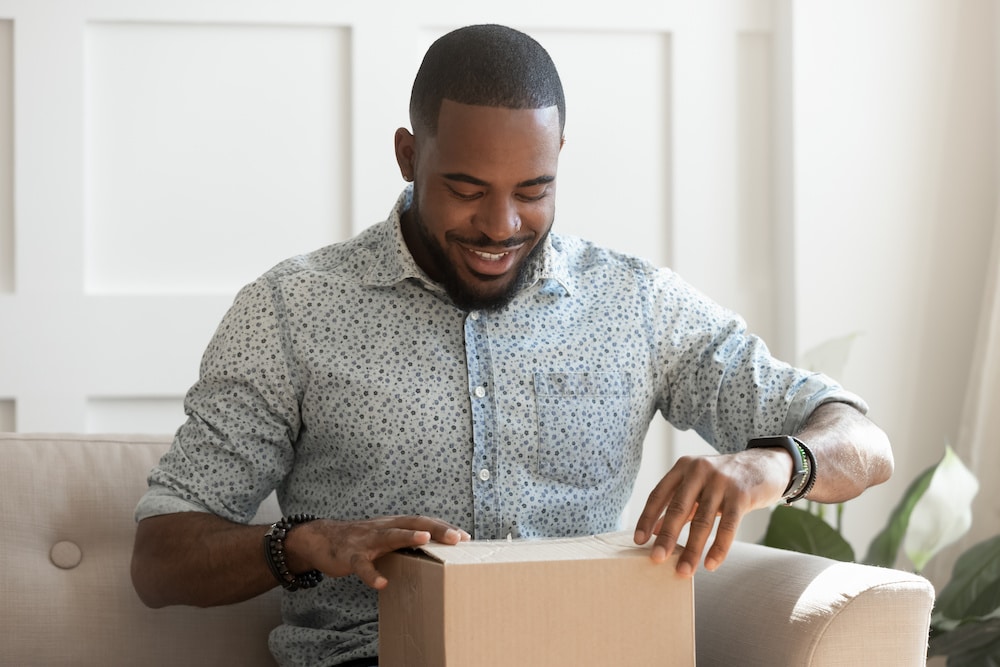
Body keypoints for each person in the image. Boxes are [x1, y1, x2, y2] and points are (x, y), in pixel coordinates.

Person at [131, 23, 893, 667]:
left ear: (560, 151)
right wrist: (306, 543)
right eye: (466, 188)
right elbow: (160, 558)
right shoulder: (291, 311)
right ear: (407, 155)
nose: (501, 226)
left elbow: (863, 441)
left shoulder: (635, 304)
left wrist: (769, 463)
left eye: (533, 190)